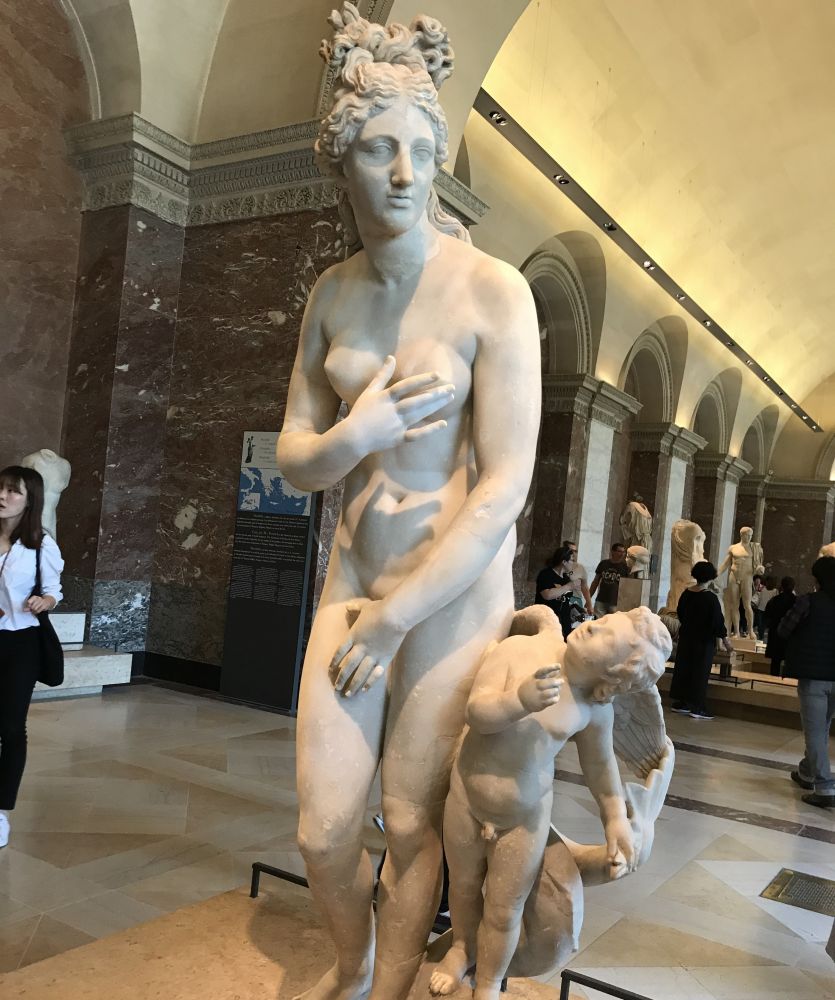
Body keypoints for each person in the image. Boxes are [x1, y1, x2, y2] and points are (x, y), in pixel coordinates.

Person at [276, 8, 541, 999]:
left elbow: (504, 484)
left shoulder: (492, 291)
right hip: (354, 572)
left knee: (411, 815)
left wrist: (397, 620)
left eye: (420, 153)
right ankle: (350, 964)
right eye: (378, 150)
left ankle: (384, 986)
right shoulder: (331, 295)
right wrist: (358, 434)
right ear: (340, 162)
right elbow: (296, 459)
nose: (401, 174)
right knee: (321, 827)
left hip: (448, 591)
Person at [429, 605, 670, 1000]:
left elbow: (600, 765)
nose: (591, 625)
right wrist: (519, 700)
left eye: (605, 635)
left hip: (524, 817)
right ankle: (461, 948)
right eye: (601, 620)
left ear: (612, 675)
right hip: (466, 798)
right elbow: (477, 713)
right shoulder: (521, 650)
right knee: (464, 887)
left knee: (505, 909)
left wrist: (614, 818)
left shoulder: (593, 709)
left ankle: (488, 981)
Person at [0, 466, 64, 849]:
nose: (3, 496)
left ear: (30, 500)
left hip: (20, 643)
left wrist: (44, 601)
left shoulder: (41, 545)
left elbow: (54, 589)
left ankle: (0, 810)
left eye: (13, 491)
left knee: (10, 727)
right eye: (0, 488)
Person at [778, 557, 835, 809]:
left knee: (815, 731)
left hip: (813, 676)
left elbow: (784, 629)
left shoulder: (808, 601)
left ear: (817, 578)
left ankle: (824, 787)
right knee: (822, 727)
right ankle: (807, 772)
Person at [669, 561, 732, 720]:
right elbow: (717, 622)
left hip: (686, 638)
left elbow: (680, 613)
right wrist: (725, 641)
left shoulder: (686, 593)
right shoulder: (710, 598)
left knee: (683, 669)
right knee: (700, 672)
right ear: (711, 577)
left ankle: (682, 703)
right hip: (703, 641)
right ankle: (697, 707)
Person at [535, 545, 582, 639]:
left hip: (564, 622)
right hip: (547, 620)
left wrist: (574, 611)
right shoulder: (546, 574)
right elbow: (547, 595)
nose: (574, 564)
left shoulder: (566, 578)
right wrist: (569, 586)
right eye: (572, 560)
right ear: (564, 562)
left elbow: (565, 600)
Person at [764, 577, 796, 676]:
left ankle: (773, 679)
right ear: (793, 587)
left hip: (776, 633)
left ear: (781, 586)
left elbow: (767, 616)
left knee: (775, 662)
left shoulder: (774, 600)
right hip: (791, 634)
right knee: (789, 661)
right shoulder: (796, 601)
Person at [589, 543, 628, 617]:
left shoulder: (625, 567)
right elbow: (595, 582)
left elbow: (626, 587)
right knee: (598, 622)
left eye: (623, 552)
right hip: (601, 600)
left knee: (613, 623)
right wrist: (589, 598)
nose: (622, 554)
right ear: (612, 552)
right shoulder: (603, 563)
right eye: (619, 551)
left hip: (616, 602)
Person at [562, 539, 594, 616]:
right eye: (571, 551)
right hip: (562, 598)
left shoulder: (580, 568)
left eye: (575, 551)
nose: (573, 554)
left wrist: (589, 605)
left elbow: (585, 587)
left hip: (576, 599)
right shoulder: (560, 565)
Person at [755, 576, 778, 641]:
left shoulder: (775, 591)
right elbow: (758, 597)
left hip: (767, 610)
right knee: (760, 624)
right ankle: (761, 637)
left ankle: (761, 637)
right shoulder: (763, 588)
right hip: (760, 608)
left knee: (762, 625)